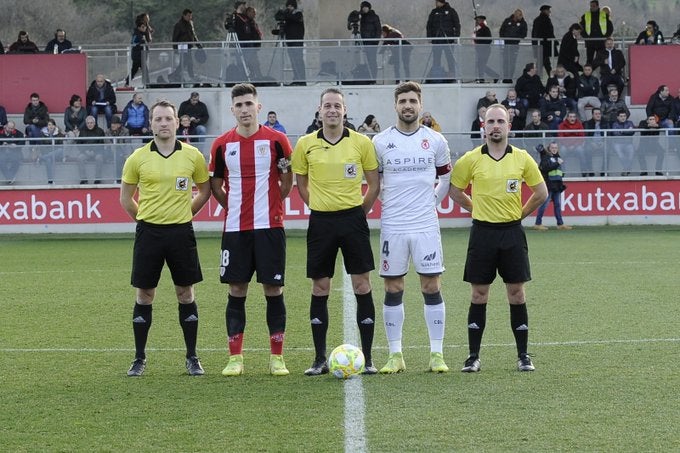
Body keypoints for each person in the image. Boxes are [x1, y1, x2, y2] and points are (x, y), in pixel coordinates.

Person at [448, 104, 548, 373]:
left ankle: (524, 356)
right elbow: (455, 190)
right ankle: (472, 357)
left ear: (508, 126)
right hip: (482, 233)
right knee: (479, 294)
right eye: (490, 121)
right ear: (483, 126)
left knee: (516, 293)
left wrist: (520, 214)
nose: (495, 125)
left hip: (512, 233)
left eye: (500, 121)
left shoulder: (522, 158)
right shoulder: (470, 159)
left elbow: (541, 192)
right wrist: (475, 207)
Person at [291, 87, 380, 376]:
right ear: (319, 111)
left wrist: (358, 212)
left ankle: (367, 359)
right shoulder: (305, 144)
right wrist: (317, 205)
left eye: (337, 106)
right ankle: (319, 359)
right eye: (327, 105)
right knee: (320, 287)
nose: (331, 110)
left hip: (353, 220)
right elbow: (301, 183)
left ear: (344, 111)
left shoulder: (361, 143)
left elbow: (373, 183)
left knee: (362, 285)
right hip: (321, 222)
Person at [120, 99, 211, 377]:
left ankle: (192, 357)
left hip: (181, 232)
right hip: (149, 233)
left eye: (168, 119)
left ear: (177, 121)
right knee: (145, 294)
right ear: (151, 123)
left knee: (185, 293)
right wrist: (146, 220)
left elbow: (204, 191)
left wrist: (185, 213)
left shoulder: (193, 155)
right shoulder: (137, 158)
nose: (163, 124)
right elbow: (126, 199)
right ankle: (139, 358)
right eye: (157, 119)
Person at [208, 83, 294, 377]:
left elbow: (287, 179)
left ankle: (277, 357)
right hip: (235, 229)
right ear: (232, 110)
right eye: (239, 105)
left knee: (273, 288)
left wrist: (272, 204)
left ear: (259, 107)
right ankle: (235, 358)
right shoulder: (221, 145)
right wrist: (232, 207)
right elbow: (215, 185)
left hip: (270, 227)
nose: (244, 109)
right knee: (236, 288)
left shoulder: (278, 140)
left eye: (249, 104)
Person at [371, 81, 452, 374]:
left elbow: (445, 178)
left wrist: (431, 201)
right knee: (393, 286)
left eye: (412, 101)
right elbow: (374, 181)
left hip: (425, 224)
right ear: (395, 105)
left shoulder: (436, 141)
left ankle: (437, 354)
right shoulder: (380, 142)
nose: (408, 105)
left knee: (431, 285)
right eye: (402, 100)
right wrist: (387, 200)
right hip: (393, 224)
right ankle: (395, 355)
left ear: (420, 104)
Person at [533, 142, 571, 230]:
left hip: (557, 185)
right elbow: (546, 167)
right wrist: (557, 163)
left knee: (557, 204)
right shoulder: (546, 157)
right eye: (552, 147)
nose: (554, 149)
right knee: (544, 204)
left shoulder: (558, 158)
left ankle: (560, 224)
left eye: (556, 148)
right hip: (549, 184)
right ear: (549, 148)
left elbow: (560, 171)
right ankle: (538, 223)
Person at [426, 0, 460, 81]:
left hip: (448, 38)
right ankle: (436, 77)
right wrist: (430, 37)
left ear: (441, 2)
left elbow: (457, 25)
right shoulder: (434, 12)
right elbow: (429, 25)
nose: (436, 4)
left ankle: (452, 77)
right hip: (437, 39)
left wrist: (456, 37)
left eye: (437, 2)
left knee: (450, 58)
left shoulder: (451, 11)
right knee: (436, 58)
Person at [580, 0, 613, 65]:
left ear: (598, 6)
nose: (592, 7)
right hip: (590, 42)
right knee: (589, 60)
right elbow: (580, 27)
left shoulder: (604, 15)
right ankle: (588, 74)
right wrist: (586, 37)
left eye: (594, 6)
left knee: (602, 60)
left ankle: (603, 74)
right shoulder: (585, 15)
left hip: (601, 42)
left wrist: (605, 37)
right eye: (591, 6)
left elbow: (610, 28)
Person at [498, 9, 528, 83]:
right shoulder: (507, 21)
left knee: (512, 62)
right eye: (519, 15)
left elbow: (524, 34)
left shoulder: (523, 23)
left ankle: (510, 77)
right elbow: (502, 31)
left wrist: (516, 38)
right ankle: (506, 77)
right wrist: (505, 37)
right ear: (515, 14)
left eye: (521, 15)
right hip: (507, 44)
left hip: (515, 45)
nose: (520, 16)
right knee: (506, 61)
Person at [171, 9, 201, 81]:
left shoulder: (190, 23)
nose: (190, 17)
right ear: (184, 15)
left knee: (187, 62)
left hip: (189, 46)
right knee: (185, 62)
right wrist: (175, 49)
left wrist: (198, 45)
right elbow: (175, 38)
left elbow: (193, 35)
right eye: (188, 16)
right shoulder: (178, 25)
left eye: (191, 16)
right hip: (182, 46)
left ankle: (189, 76)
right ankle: (190, 76)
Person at [77, 115, 107, 184]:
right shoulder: (82, 131)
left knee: (99, 158)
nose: (89, 124)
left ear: (94, 123)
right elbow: (78, 144)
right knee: (80, 158)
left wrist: (94, 151)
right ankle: (83, 179)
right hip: (85, 152)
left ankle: (97, 178)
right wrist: (85, 151)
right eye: (88, 123)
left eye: (91, 123)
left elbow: (102, 144)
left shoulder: (100, 131)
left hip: (97, 152)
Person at [282, 0, 306, 85]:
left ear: (293, 6)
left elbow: (294, 19)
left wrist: (285, 15)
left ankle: (301, 80)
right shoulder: (289, 16)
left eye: (290, 6)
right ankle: (296, 78)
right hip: (290, 40)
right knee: (293, 60)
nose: (288, 8)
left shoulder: (298, 14)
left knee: (298, 60)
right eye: (287, 6)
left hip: (297, 41)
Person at [357, 1, 381, 83]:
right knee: (366, 60)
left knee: (372, 60)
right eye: (363, 8)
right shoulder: (362, 17)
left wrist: (375, 41)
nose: (364, 9)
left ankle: (373, 78)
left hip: (372, 42)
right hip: (365, 42)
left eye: (366, 7)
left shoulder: (374, 17)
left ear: (369, 8)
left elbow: (378, 30)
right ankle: (367, 78)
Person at [36, 119, 66, 184]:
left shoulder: (58, 134)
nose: (51, 126)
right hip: (47, 154)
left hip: (57, 154)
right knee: (48, 160)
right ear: (47, 126)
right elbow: (42, 146)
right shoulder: (43, 134)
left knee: (60, 150)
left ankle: (41, 158)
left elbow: (60, 146)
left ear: (55, 126)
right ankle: (50, 180)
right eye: (49, 125)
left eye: (52, 125)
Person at [557, 111, 586, 176]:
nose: (572, 118)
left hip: (577, 146)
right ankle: (562, 172)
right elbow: (561, 137)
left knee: (581, 151)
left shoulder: (579, 125)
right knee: (562, 151)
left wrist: (574, 146)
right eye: (570, 117)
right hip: (565, 146)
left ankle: (584, 171)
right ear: (567, 118)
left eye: (574, 117)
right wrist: (568, 146)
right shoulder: (562, 125)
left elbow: (582, 137)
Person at [531, 5, 557, 77]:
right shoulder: (545, 20)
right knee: (544, 64)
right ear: (544, 11)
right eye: (548, 10)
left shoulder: (537, 20)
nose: (549, 12)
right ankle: (550, 78)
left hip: (540, 45)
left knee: (543, 63)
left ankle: (548, 77)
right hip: (544, 45)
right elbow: (547, 33)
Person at [473, 15, 500, 83]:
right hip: (479, 49)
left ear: (482, 20)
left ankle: (491, 76)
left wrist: (480, 42)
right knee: (480, 65)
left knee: (481, 65)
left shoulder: (485, 28)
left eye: (478, 20)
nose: (476, 22)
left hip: (485, 49)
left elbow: (489, 40)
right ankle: (482, 78)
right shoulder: (477, 29)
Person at [583, 107, 609, 176]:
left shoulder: (605, 122)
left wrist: (604, 142)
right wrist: (591, 143)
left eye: (599, 114)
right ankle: (591, 171)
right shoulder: (587, 123)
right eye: (596, 114)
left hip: (603, 143)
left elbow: (609, 135)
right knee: (587, 150)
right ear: (592, 115)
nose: (598, 115)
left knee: (607, 150)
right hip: (591, 143)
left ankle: (604, 171)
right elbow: (586, 136)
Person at [609, 109, 635, 176]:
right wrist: (626, 131)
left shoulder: (630, 123)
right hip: (618, 144)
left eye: (624, 116)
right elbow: (615, 133)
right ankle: (627, 169)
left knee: (631, 156)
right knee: (621, 155)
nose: (623, 117)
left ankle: (625, 169)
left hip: (628, 143)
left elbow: (632, 132)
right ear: (617, 117)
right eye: (621, 116)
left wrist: (622, 131)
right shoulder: (615, 124)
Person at [106, 115, 131, 182]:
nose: (112, 125)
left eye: (114, 124)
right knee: (118, 156)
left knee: (121, 157)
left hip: (122, 151)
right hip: (111, 151)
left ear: (119, 125)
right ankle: (118, 178)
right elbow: (107, 142)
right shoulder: (107, 131)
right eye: (112, 123)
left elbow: (127, 143)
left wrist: (127, 155)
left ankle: (120, 178)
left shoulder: (125, 131)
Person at [125, 18, 149, 86]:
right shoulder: (136, 34)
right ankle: (147, 84)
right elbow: (133, 43)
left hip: (141, 56)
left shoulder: (142, 34)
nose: (144, 28)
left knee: (135, 70)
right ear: (139, 27)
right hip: (138, 56)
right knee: (144, 70)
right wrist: (141, 42)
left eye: (145, 27)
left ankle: (127, 82)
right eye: (143, 27)